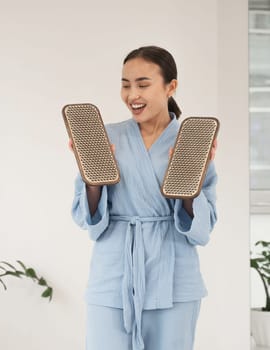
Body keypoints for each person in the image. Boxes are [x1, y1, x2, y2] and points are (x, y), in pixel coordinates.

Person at [69, 46, 218, 350]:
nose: (132, 94)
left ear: (170, 86)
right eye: (125, 84)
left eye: (143, 84)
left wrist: (192, 187)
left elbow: (202, 230)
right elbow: (88, 222)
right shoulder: (104, 136)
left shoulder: (191, 142)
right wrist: (92, 181)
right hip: (113, 275)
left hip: (174, 277)